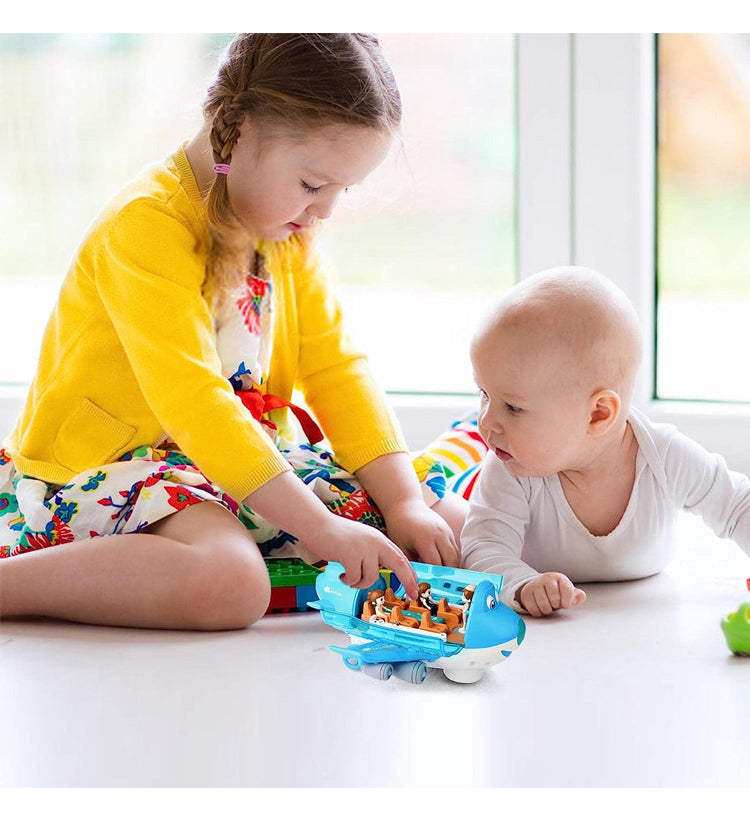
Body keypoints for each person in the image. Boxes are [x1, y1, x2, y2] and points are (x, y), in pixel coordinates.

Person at [0, 34, 467, 631]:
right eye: (312, 185)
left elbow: (337, 368)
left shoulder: (286, 230)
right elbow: (194, 402)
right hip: (127, 466)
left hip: (245, 461)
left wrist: (403, 503)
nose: (323, 211)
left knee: (447, 522)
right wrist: (320, 527)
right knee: (229, 582)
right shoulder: (145, 225)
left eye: (340, 192)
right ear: (239, 130)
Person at [460, 266, 750, 617]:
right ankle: (456, 444)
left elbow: (738, 505)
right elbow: (481, 546)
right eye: (484, 394)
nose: (487, 420)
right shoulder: (510, 465)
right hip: (473, 492)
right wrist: (520, 585)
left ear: (598, 414)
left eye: (513, 407)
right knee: (446, 514)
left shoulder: (664, 457)